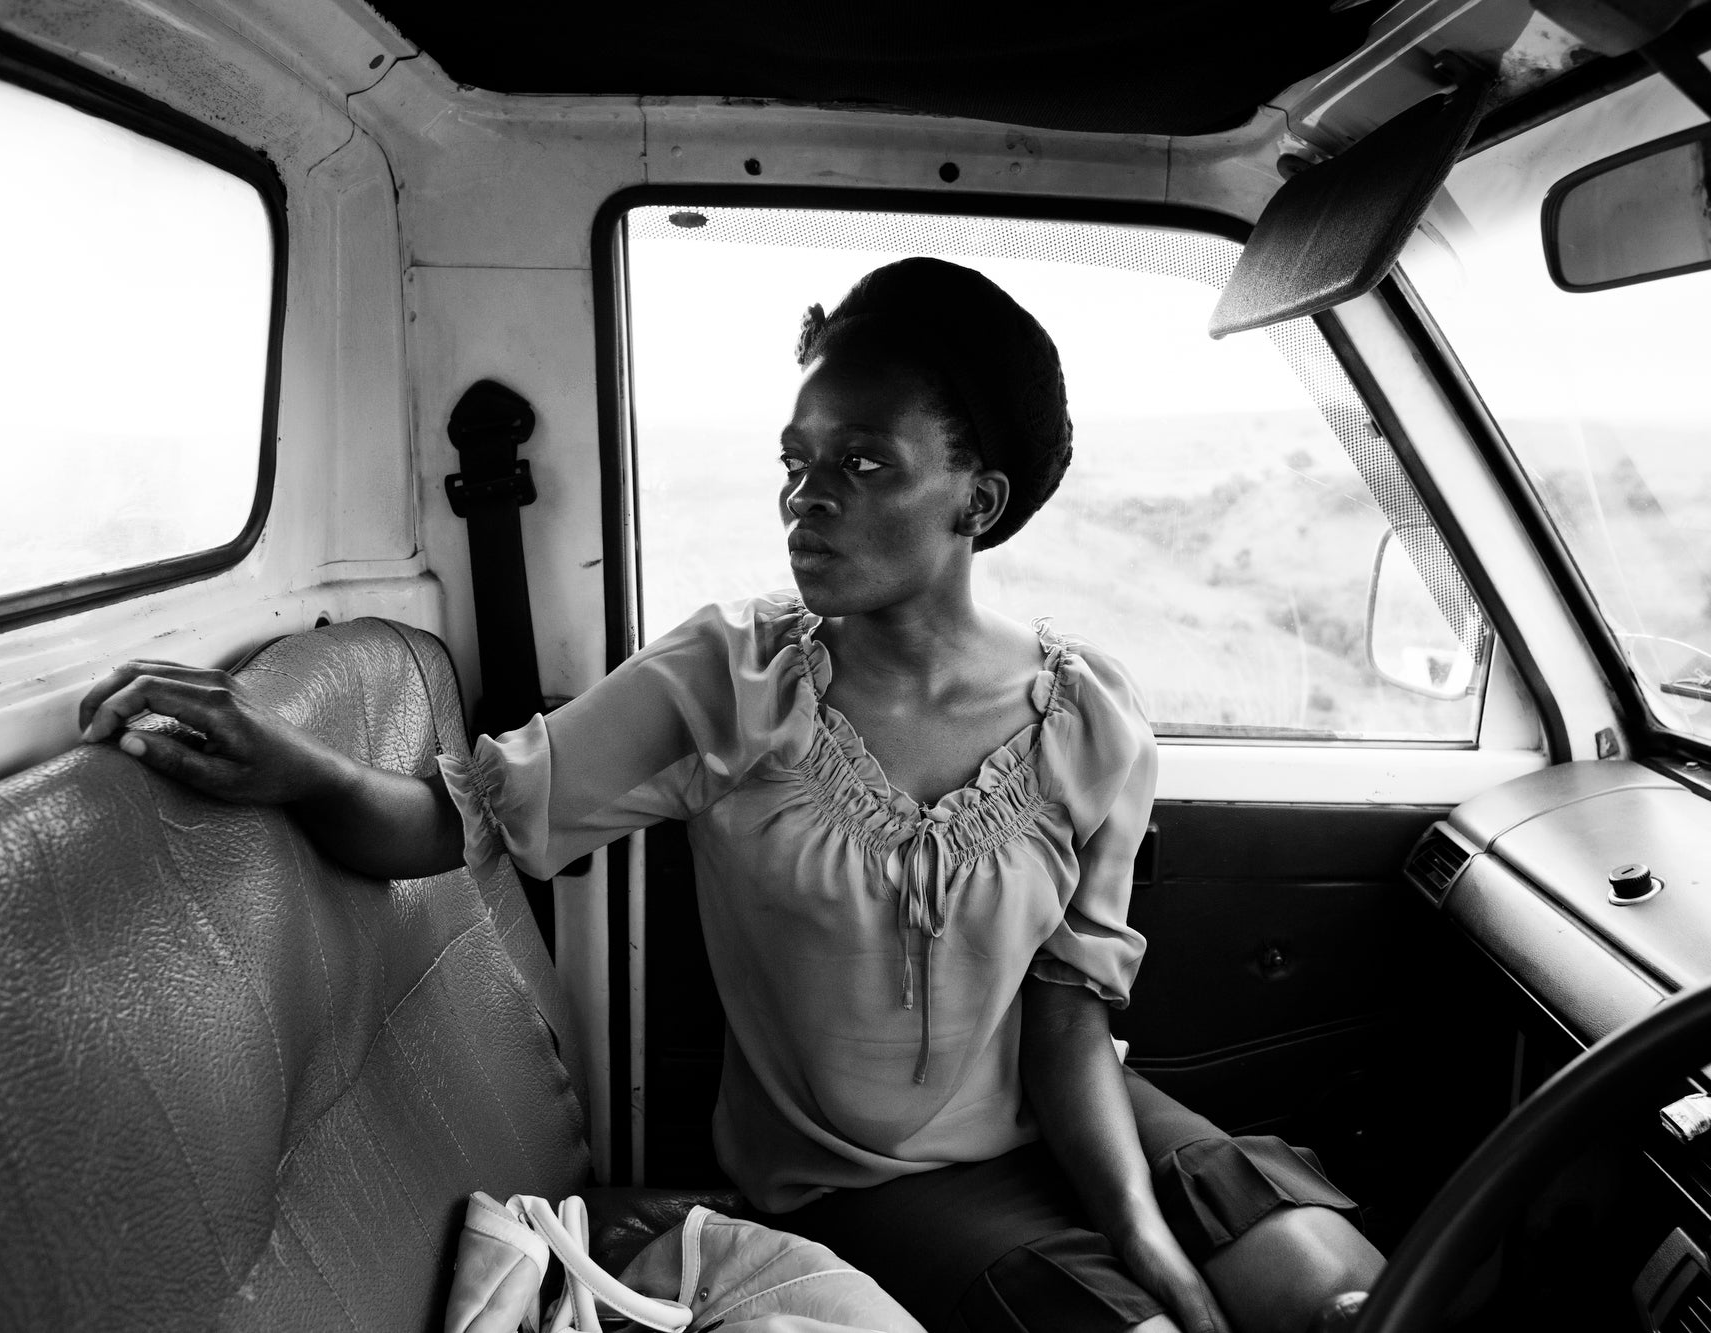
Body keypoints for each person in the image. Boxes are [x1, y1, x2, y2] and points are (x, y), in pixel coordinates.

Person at [78, 258, 1383, 1333]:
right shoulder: (733, 676)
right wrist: (296, 764)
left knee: (1337, 1297)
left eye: (864, 464)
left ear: (977, 499)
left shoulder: (1091, 719)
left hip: (1072, 1109)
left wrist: (1143, 1226)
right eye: (796, 460)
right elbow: (462, 822)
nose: (805, 500)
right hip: (859, 1180)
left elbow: (1067, 1024)